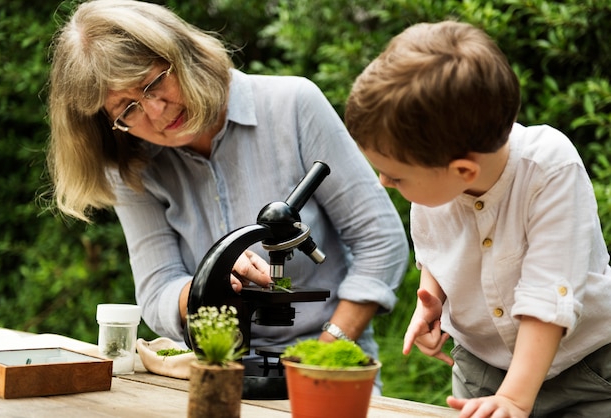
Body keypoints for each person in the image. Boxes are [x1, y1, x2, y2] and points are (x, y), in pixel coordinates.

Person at [45, 0, 408, 392]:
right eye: (127, 108)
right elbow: (158, 289)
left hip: (328, 365)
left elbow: (380, 241)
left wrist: (324, 352)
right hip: (211, 370)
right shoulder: (132, 166)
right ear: (109, 124)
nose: (156, 109)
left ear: (181, 55)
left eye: (153, 83)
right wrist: (209, 282)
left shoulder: (293, 105)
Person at [345, 20, 611, 417]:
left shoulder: (548, 167)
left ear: (463, 171)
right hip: (481, 368)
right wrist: (432, 299)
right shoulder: (436, 175)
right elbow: (438, 246)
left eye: (395, 175)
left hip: (584, 372)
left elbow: (547, 296)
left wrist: (514, 398)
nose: (384, 183)